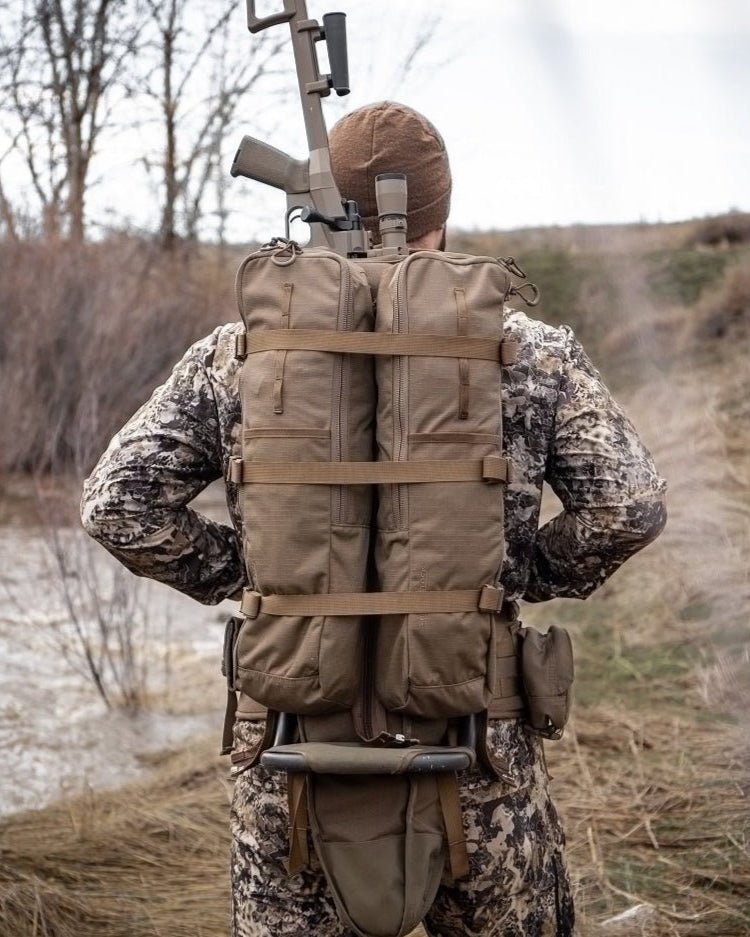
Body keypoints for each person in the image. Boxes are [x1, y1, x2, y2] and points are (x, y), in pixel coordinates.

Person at [81, 101, 667, 937]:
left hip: (290, 757)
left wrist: (251, 573)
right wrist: (516, 570)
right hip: (477, 749)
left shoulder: (236, 354)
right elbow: (630, 505)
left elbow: (116, 503)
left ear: (324, 212)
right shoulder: (530, 351)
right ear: (441, 214)